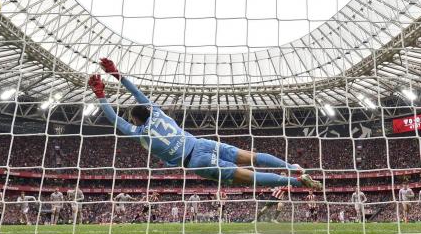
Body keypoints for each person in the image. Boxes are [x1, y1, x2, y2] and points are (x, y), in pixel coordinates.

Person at [88, 58, 322, 191]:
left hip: (197, 161)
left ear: (135, 120)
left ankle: (296, 182)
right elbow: (138, 94)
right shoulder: (157, 113)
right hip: (202, 143)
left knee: (250, 177)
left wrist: (100, 95)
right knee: (254, 156)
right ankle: (293, 167)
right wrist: (117, 74)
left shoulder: (138, 132)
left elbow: (114, 119)